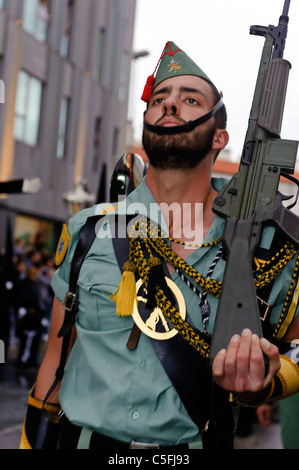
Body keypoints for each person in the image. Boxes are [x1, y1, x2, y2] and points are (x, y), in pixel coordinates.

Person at [20, 41, 299, 450]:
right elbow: (54, 363)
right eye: (159, 99)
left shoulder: (267, 246)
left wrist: (266, 385)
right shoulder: (87, 230)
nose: (169, 106)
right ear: (147, 122)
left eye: (190, 99)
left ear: (219, 136)